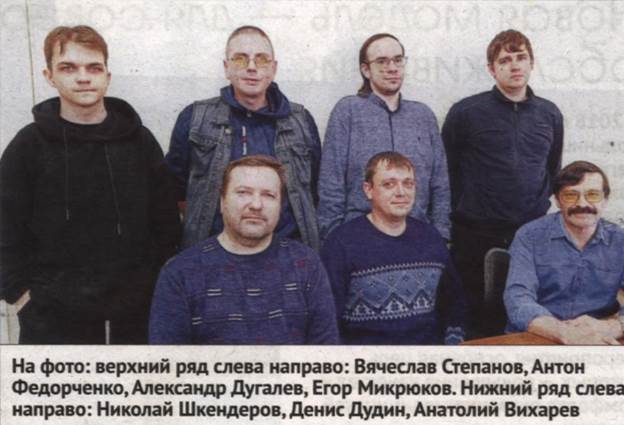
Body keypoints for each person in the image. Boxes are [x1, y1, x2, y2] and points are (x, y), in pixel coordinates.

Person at [0, 25, 181, 344]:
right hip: (53, 323)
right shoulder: (28, 145)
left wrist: (152, 286)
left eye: (93, 67)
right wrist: (20, 294)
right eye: (68, 67)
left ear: (107, 76)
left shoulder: (139, 141)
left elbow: (166, 224)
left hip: (135, 320)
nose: (83, 77)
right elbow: (5, 226)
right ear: (49, 76)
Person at [441, 29, 564, 336]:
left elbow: (552, 169)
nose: (514, 65)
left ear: (531, 62)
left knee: (526, 315)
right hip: (475, 234)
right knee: (478, 320)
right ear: (491, 69)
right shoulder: (466, 112)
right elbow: (447, 170)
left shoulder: (549, 113)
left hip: (530, 232)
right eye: (504, 60)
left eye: (520, 57)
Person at [149, 155, 338, 344]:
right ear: (222, 201)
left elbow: (325, 352)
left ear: (281, 206)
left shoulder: (306, 264)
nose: (256, 205)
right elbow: (168, 359)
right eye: (243, 192)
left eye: (268, 195)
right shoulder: (179, 273)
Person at [166, 25, 322, 250]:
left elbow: (315, 191)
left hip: (287, 251)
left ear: (274, 69)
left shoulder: (301, 120)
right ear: (226, 68)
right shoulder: (195, 118)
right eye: (240, 59)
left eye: (262, 59)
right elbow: (174, 189)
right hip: (213, 252)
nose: (251, 67)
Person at [321, 152, 465, 344]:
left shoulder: (431, 238)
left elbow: (455, 303)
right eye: (389, 184)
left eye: (408, 184)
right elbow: (326, 322)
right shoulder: (341, 244)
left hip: (427, 357)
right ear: (368, 190)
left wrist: (453, 343)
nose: (401, 192)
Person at [318, 33, 450, 242]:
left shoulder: (423, 116)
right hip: (359, 237)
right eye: (382, 61)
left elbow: (440, 183)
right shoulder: (348, 111)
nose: (392, 68)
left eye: (398, 60)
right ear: (366, 70)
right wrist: (334, 238)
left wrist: (440, 235)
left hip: (417, 235)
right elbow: (331, 182)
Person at [504, 161, 624, 344]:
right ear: (558, 201)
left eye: (592, 195)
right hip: (539, 335)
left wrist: (614, 327)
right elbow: (518, 298)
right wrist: (563, 332)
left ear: (605, 200)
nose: (582, 203)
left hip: (600, 335)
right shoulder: (529, 236)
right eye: (570, 195)